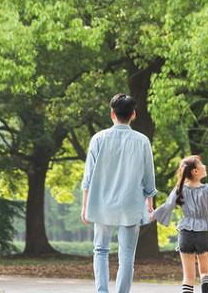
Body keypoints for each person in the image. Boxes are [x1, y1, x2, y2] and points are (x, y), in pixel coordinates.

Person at [81, 93, 157, 293]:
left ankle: (102, 291)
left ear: (112, 114)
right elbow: (149, 176)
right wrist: (150, 201)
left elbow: (88, 176)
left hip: (101, 203)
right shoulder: (142, 141)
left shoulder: (98, 138)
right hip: (130, 204)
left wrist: (85, 205)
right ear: (133, 114)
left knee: (100, 250)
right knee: (127, 256)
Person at [152, 155, 208, 293]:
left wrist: (152, 216)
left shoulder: (179, 189)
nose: (205, 166)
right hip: (204, 233)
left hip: (185, 234)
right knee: (206, 273)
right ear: (195, 171)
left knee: (188, 278)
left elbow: (166, 206)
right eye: (201, 164)